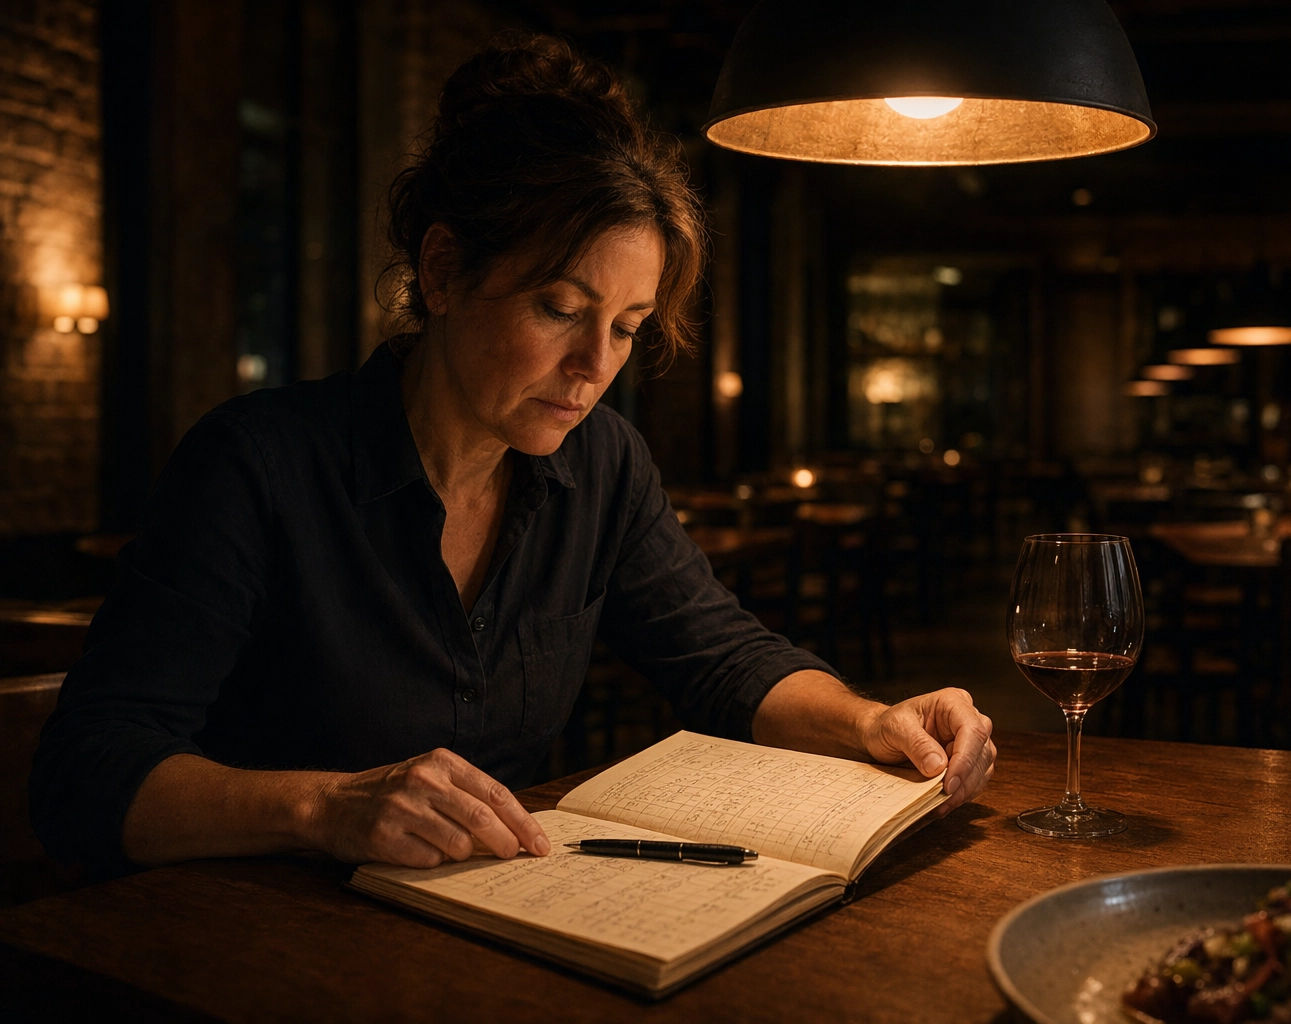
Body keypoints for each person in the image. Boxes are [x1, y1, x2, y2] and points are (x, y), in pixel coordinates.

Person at [30, 35, 994, 879]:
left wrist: (869, 723)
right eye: (561, 311)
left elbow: (724, 659)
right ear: (443, 272)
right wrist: (323, 809)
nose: (595, 367)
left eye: (627, 327)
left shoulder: (603, 464)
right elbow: (87, 773)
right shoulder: (257, 465)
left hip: (486, 922)